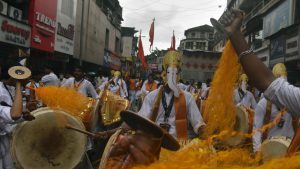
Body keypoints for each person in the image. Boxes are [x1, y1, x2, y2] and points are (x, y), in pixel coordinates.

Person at [211, 9, 300, 116]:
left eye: (246, 80)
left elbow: (269, 85)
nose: (245, 82)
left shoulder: (252, 96)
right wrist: (235, 34)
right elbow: (270, 85)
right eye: (243, 80)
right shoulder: (262, 104)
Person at [138, 50, 206, 140]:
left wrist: (207, 135)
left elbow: (198, 123)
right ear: (164, 74)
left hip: (177, 144)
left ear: (179, 75)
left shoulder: (187, 97)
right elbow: (142, 119)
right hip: (154, 142)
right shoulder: (151, 96)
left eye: (175, 73)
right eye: (169, 72)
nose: (172, 77)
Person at [252, 63, 295, 153]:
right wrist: (257, 151)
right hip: (270, 149)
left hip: (290, 148)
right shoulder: (263, 104)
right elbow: (257, 129)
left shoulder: (293, 101)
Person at [0, 67, 27, 169]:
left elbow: (11, 114)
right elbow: (14, 114)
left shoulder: (10, 88)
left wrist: (24, 115)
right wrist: (18, 84)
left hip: (5, 139)